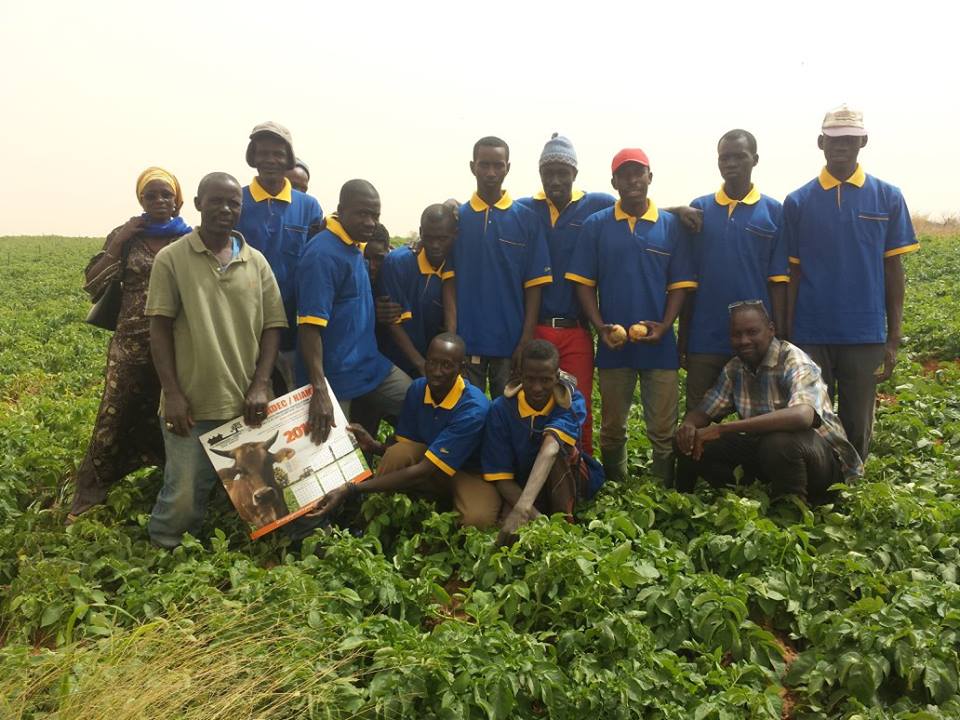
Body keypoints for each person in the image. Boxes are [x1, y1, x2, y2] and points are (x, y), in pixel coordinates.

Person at [145, 172, 287, 548]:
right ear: (197, 204)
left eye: (233, 203)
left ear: (241, 209)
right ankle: (165, 546)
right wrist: (171, 393)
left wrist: (261, 383)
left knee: (257, 482)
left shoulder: (256, 262)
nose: (225, 209)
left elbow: (273, 326)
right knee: (185, 490)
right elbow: (158, 329)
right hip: (190, 402)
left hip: (245, 402)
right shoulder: (171, 259)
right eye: (216, 201)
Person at [784, 105, 919, 460]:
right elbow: (793, 274)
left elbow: (894, 270)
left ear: (863, 141)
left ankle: (852, 489)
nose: (840, 146)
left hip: (865, 333)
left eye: (848, 138)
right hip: (811, 333)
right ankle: (819, 485)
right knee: (813, 417)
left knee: (858, 422)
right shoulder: (798, 202)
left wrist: (893, 336)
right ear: (820, 142)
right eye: (833, 138)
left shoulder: (888, 197)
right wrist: (788, 335)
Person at [68, 167, 192, 522]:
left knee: (175, 412)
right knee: (115, 413)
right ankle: (91, 491)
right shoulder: (125, 237)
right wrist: (120, 242)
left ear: (177, 200)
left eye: (165, 195)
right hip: (131, 344)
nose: (158, 201)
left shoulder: (188, 239)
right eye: (150, 196)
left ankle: (176, 482)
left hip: (177, 344)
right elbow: (92, 286)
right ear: (140, 200)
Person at [567, 148, 698, 483]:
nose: (632, 180)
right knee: (612, 428)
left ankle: (661, 492)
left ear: (650, 177)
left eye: (638, 173)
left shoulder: (670, 227)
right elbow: (584, 284)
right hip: (615, 344)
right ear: (614, 182)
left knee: (662, 430)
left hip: (660, 345)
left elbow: (680, 286)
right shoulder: (597, 225)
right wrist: (600, 327)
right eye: (624, 174)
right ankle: (616, 488)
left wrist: (666, 325)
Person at [674, 301, 863, 503]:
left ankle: (791, 511)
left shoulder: (793, 359)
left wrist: (723, 429)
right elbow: (704, 411)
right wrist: (689, 425)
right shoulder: (735, 368)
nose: (744, 340)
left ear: (771, 330)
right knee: (688, 440)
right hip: (766, 453)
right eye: (737, 334)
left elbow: (802, 416)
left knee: (778, 443)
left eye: (752, 332)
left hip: (820, 464)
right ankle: (699, 500)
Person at [308, 333, 500, 527]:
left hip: (472, 473)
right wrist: (375, 447)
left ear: (462, 368)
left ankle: (441, 518)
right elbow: (407, 450)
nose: (437, 371)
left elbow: (423, 470)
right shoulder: (418, 389)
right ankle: (373, 517)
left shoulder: (473, 408)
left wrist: (351, 489)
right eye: (432, 362)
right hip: (434, 465)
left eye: (447, 365)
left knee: (477, 519)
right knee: (397, 453)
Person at [517, 134, 616, 455]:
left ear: (575, 173)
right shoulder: (524, 209)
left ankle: (581, 469)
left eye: (563, 172)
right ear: (540, 175)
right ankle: (535, 470)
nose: (556, 180)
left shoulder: (596, 205)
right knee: (536, 404)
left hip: (576, 330)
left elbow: (634, 208)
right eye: (549, 173)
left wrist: (679, 209)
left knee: (578, 404)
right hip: (537, 327)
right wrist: (451, 206)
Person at [680, 129, 789, 411]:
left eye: (739, 157)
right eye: (724, 158)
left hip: (756, 342)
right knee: (697, 419)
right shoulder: (699, 209)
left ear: (754, 159)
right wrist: (684, 339)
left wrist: (780, 337)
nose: (730, 163)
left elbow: (778, 282)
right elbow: (688, 283)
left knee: (761, 418)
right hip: (705, 338)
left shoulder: (774, 211)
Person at [296, 179, 412, 443]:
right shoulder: (322, 254)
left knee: (418, 402)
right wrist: (319, 389)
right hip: (333, 378)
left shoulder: (354, 248)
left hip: (369, 366)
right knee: (331, 455)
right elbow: (309, 327)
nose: (371, 222)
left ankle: (396, 462)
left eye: (375, 215)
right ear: (341, 209)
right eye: (362, 213)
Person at [442, 136, 552, 398]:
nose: (491, 173)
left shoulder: (527, 220)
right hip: (467, 345)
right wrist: (452, 339)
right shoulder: (457, 220)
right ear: (473, 166)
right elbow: (450, 283)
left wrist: (525, 341)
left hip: (511, 344)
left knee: (508, 415)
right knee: (470, 414)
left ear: (507, 168)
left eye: (498, 165)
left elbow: (534, 287)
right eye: (484, 165)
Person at [481, 340, 604, 545]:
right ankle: (542, 518)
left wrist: (522, 509)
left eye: (546, 380)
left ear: (556, 377)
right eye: (530, 379)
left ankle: (564, 520)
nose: (537, 388)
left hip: (563, 480)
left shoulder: (571, 401)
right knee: (506, 528)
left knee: (562, 450)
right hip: (521, 484)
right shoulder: (501, 410)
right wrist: (536, 519)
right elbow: (500, 474)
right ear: (519, 375)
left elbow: (550, 449)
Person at [237, 122, 323, 392]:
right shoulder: (237, 201)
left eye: (277, 154)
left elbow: (317, 260)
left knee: (290, 394)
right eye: (263, 153)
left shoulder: (308, 206)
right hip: (246, 321)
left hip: (292, 324)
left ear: (288, 159)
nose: (270, 160)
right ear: (253, 157)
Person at [376, 204, 455, 378]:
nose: (435, 245)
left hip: (433, 364)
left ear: (454, 235)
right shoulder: (397, 263)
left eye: (442, 238)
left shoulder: (455, 264)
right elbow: (393, 321)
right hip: (396, 361)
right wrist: (421, 364)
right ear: (421, 233)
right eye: (429, 237)